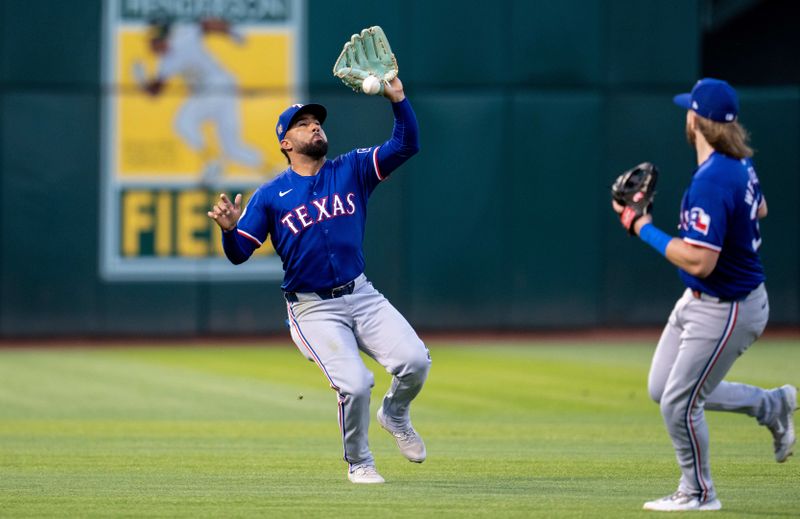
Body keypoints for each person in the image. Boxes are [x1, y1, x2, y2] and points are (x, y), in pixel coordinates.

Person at [207, 76, 430, 484]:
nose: (314, 126)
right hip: (313, 309)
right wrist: (229, 230)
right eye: (303, 123)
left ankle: (394, 414)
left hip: (361, 294)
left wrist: (397, 100)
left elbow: (406, 145)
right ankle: (360, 462)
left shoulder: (352, 169)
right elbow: (240, 253)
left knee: (415, 362)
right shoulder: (271, 195)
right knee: (357, 384)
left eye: (316, 121)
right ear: (285, 144)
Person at [612, 78, 796, 512]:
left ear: (698, 121)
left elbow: (699, 261)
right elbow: (761, 208)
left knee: (679, 403)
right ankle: (771, 405)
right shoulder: (738, 164)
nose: (686, 116)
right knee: (664, 387)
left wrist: (640, 226)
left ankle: (698, 492)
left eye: (688, 111)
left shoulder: (714, 178)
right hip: (705, 300)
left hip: (728, 307)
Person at [138, 17, 263, 185]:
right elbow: (156, 91)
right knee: (232, 148)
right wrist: (142, 82)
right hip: (222, 89)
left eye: (153, 41)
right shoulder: (166, 61)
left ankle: (212, 161)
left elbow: (207, 25)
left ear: (162, 39)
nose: (150, 46)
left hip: (216, 86)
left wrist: (231, 31)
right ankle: (271, 170)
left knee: (183, 122)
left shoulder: (183, 38)